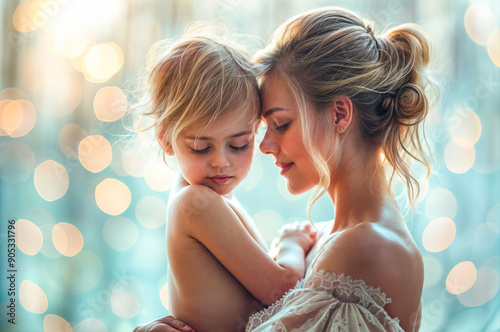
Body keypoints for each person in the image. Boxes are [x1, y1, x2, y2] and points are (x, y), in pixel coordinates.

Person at [135, 6, 437, 332]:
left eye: (281, 123)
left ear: (339, 115)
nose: (265, 145)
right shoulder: (324, 237)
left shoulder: (368, 247)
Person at [133, 24, 318, 332]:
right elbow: (282, 292)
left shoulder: (213, 198)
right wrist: (291, 244)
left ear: (256, 128)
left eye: (239, 144)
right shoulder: (197, 202)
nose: (221, 162)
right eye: (200, 147)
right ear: (165, 138)